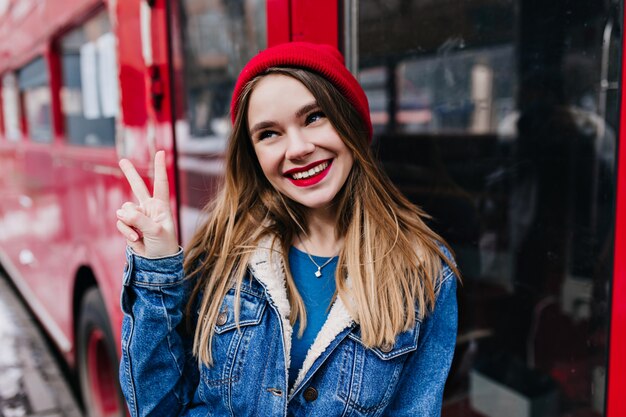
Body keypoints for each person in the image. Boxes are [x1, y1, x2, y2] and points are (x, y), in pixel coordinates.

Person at [115, 42, 459, 417]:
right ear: (254, 154)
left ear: (350, 122)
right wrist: (157, 268)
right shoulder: (220, 253)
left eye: (314, 117)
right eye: (269, 134)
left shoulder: (423, 270)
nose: (296, 148)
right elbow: (156, 409)